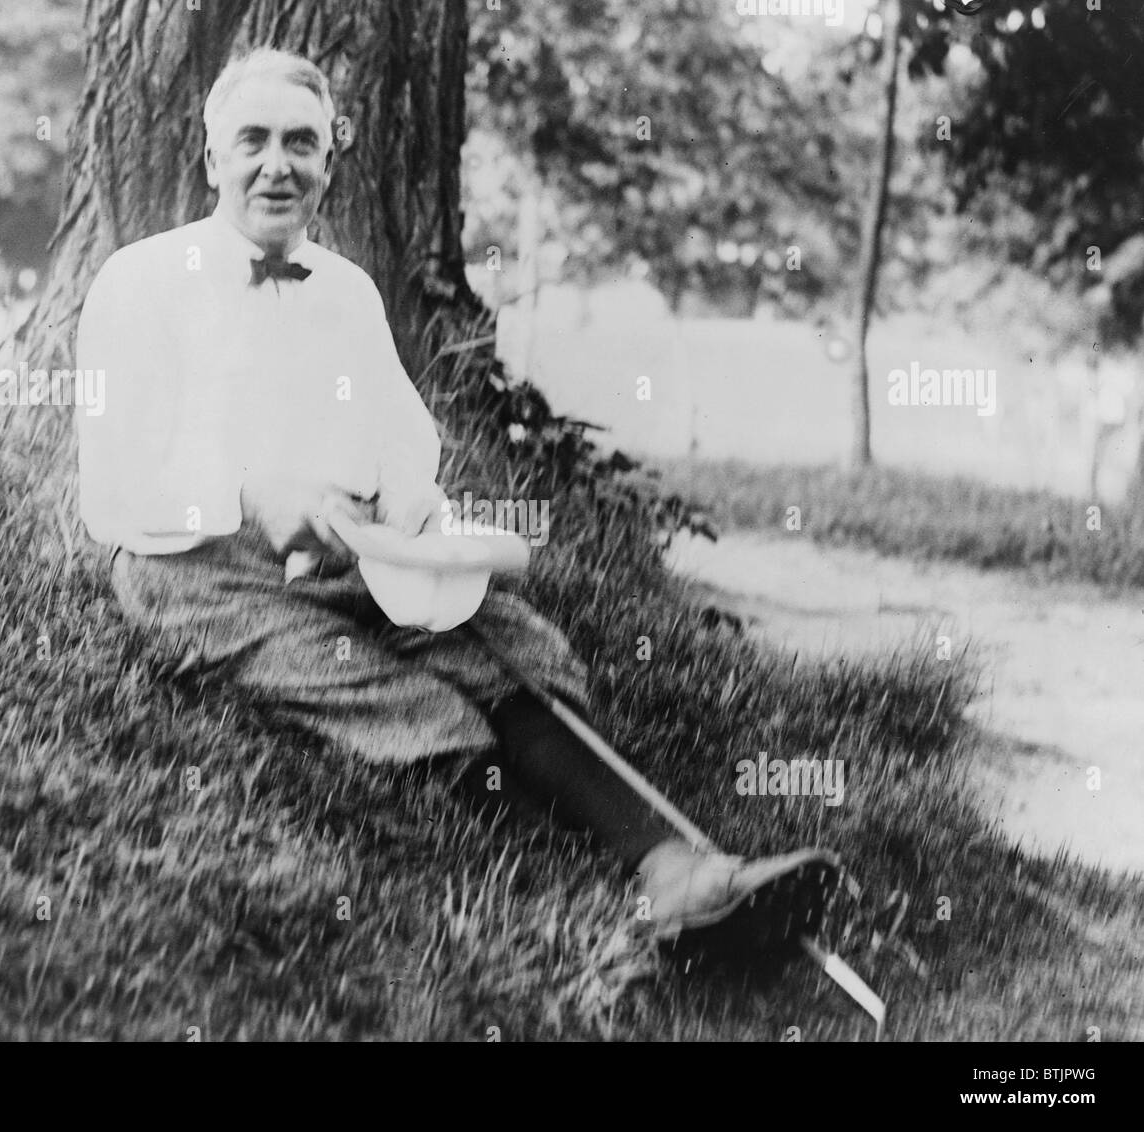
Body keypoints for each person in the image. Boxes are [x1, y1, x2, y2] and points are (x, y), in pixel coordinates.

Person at [75, 46, 839, 953]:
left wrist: (407, 508)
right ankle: (610, 896)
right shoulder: (141, 282)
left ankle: (678, 869)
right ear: (212, 161)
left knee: (513, 649)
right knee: (410, 706)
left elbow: (401, 437)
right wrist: (249, 492)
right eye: (252, 141)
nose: (276, 164)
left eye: (301, 143)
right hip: (195, 568)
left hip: (348, 555)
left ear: (330, 161)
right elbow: (114, 483)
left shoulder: (349, 291)